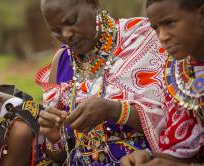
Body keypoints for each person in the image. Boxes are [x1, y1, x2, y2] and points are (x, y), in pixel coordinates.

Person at [35, 0, 168, 165]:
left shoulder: (141, 37)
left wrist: (114, 110)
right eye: (56, 31)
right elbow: (62, 156)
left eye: (71, 21)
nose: (66, 35)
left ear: (94, 3)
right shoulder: (62, 61)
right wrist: (54, 138)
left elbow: (174, 120)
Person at [120, 0, 204, 165]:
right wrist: (149, 158)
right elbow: (183, 147)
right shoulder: (180, 75)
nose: (162, 37)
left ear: (202, 15)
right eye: (156, 28)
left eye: (169, 23)